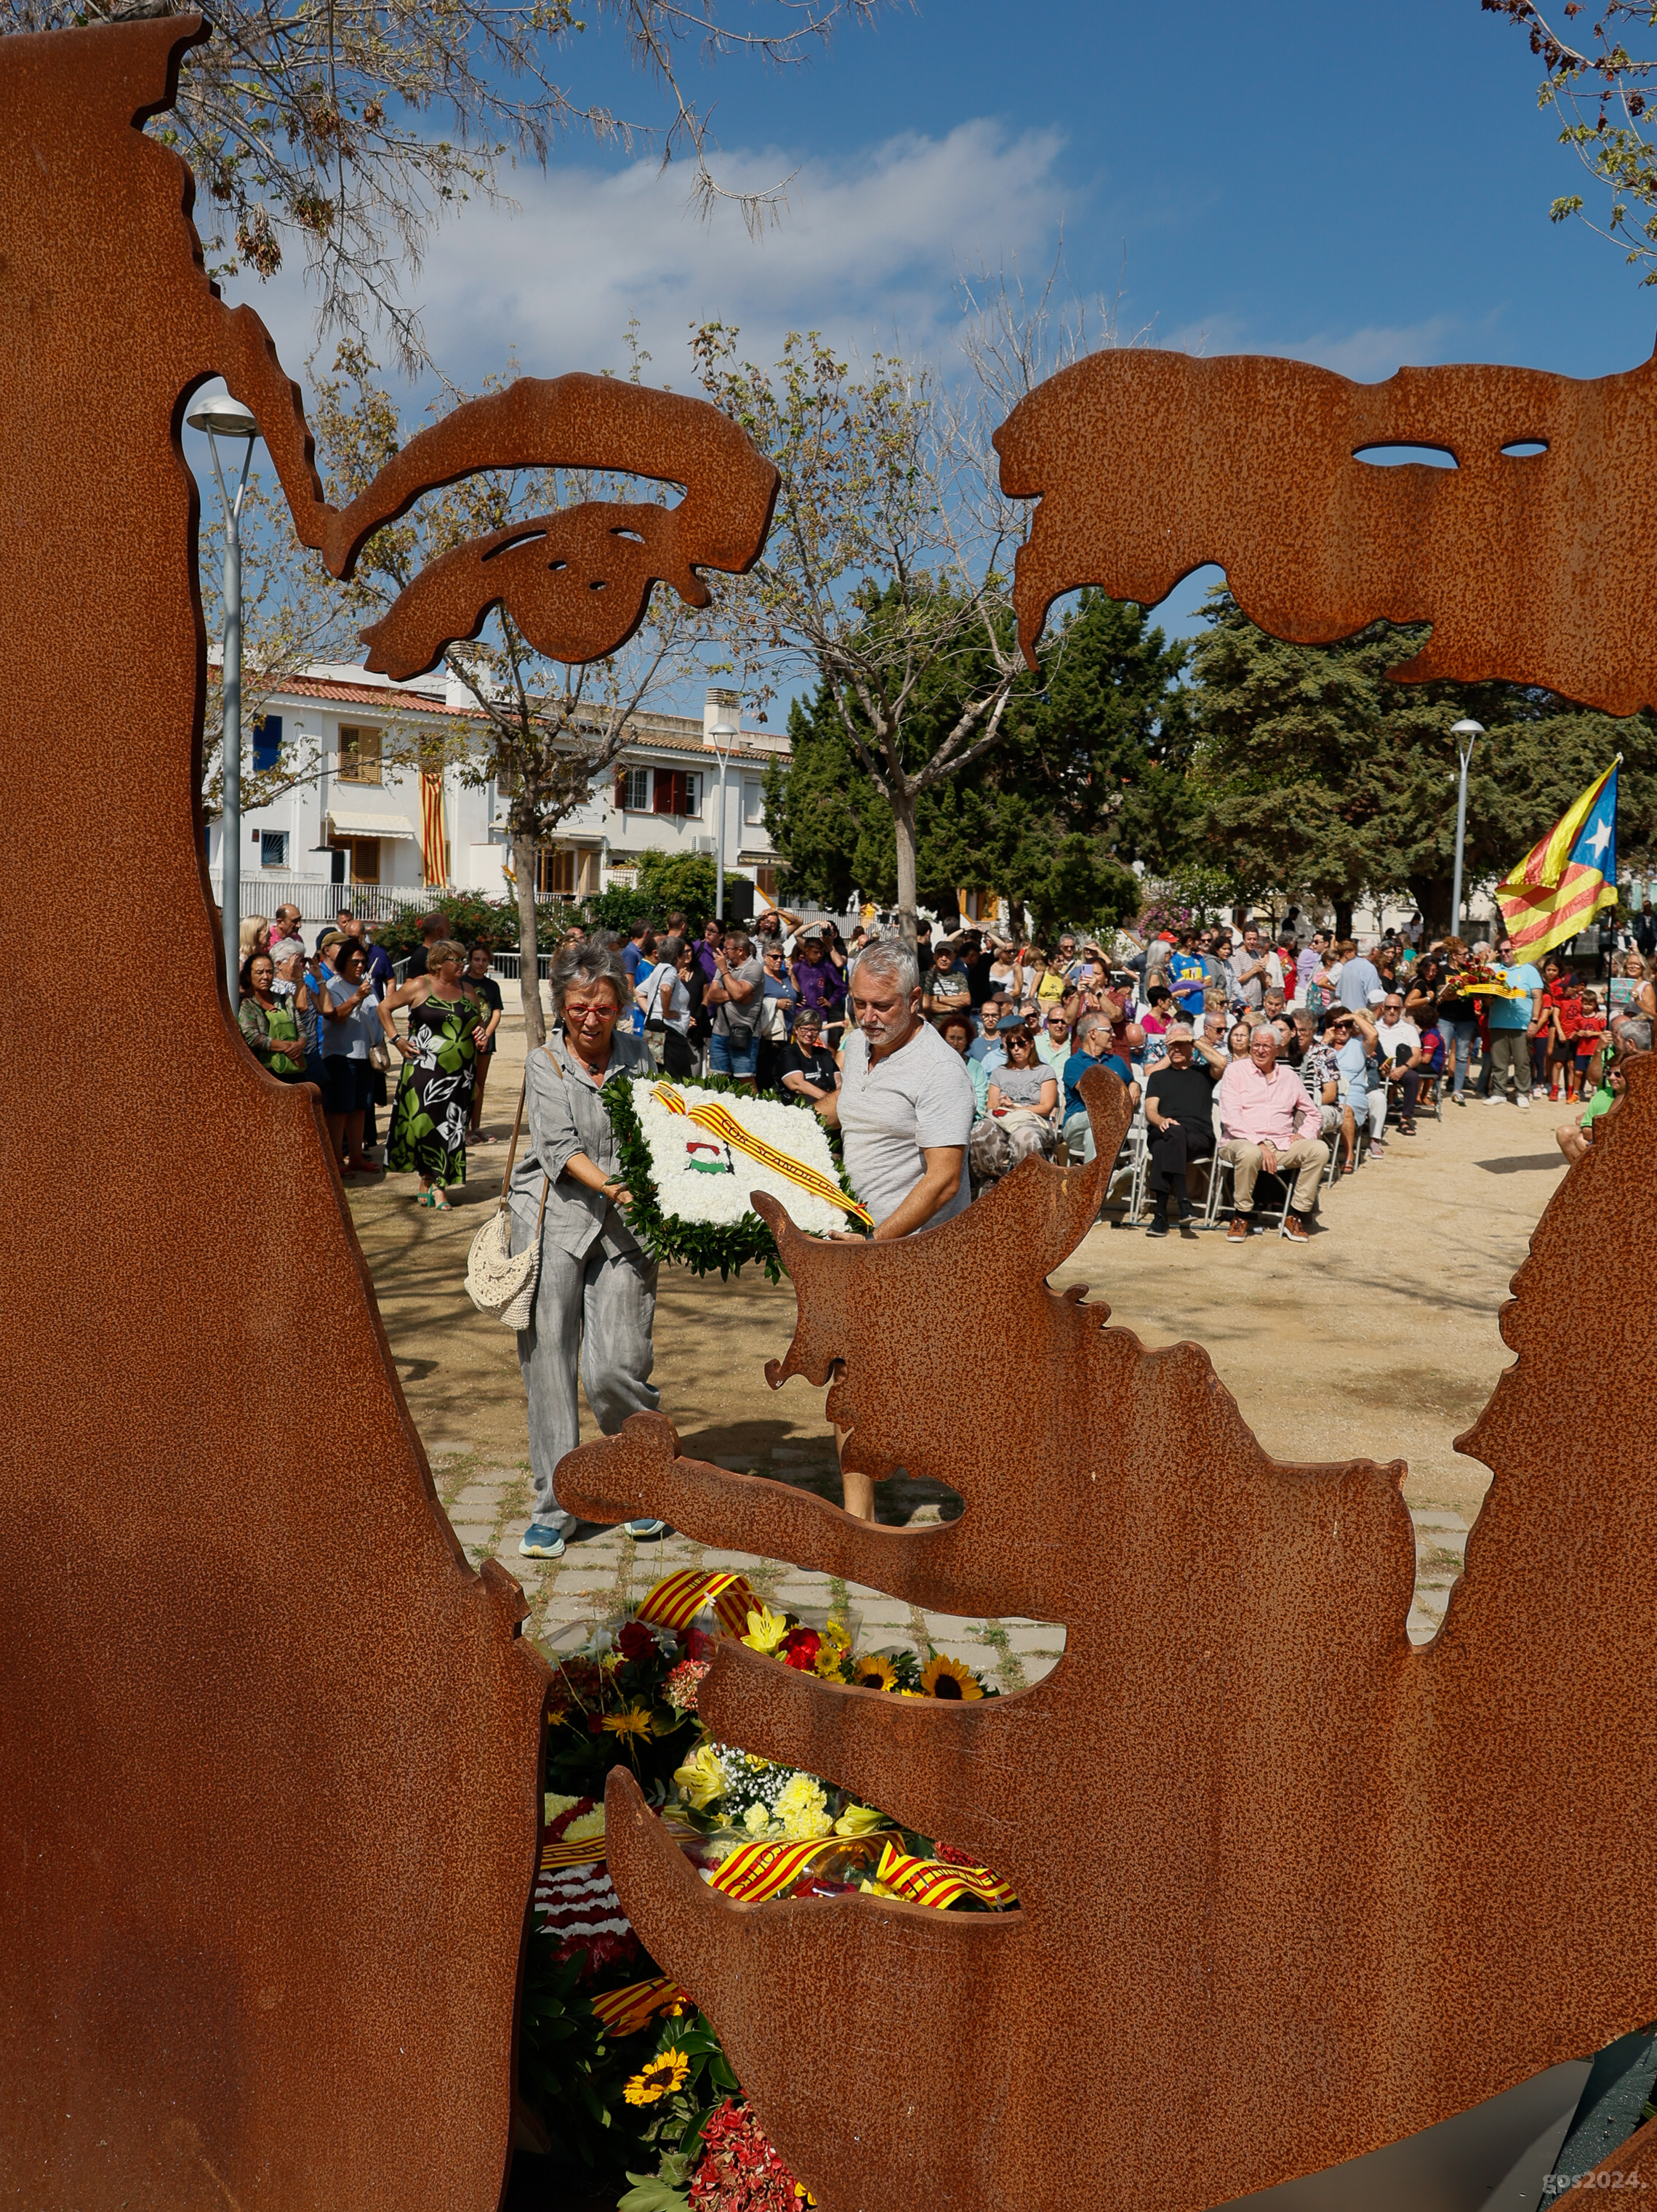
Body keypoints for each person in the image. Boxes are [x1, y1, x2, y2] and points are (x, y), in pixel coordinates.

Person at [809, 940, 974, 1519]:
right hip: (856, 1246)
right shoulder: (857, 1044)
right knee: (850, 1375)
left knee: (931, 1388)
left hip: (919, 1255)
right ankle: (859, 1519)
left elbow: (944, 1180)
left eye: (882, 1005)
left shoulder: (939, 1071)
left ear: (916, 999)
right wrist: (779, 1124)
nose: (867, 1017)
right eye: (858, 1003)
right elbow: (848, 1107)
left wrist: (877, 1243)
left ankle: (993, 1508)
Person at [511, 942, 662, 1561]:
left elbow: (660, 1123)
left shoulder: (639, 1054)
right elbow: (559, 1148)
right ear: (562, 1008)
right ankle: (555, 1503)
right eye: (579, 1007)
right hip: (553, 1217)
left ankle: (638, 1480)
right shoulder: (543, 1061)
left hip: (627, 1227)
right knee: (550, 1363)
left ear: (621, 1007)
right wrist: (614, 1185)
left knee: (617, 1365)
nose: (591, 1019)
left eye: (603, 1006)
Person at [380, 938, 488, 1207]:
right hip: (424, 1070)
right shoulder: (419, 985)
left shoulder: (468, 990)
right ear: (439, 962)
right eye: (457, 960)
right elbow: (384, 1007)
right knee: (424, 1127)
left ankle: (437, 1185)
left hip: (459, 1073)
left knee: (450, 1128)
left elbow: (477, 1021)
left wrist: (481, 1031)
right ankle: (427, 1177)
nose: (463, 964)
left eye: (464, 959)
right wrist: (396, 1040)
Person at [1215, 1024, 1328, 1242]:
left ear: (1278, 1049)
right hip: (1239, 1141)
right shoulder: (1235, 1072)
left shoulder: (1289, 1076)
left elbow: (1314, 1114)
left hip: (1281, 1143)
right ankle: (1241, 1215)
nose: (1260, 1050)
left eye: (1266, 1046)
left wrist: (1303, 1134)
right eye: (1256, 1045)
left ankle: (1295, 1214)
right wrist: (1259, 1143)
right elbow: (1230, 1117)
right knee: (1250, 1153)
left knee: (1319, 1149)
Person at [1142, 1024, 1218, 1235]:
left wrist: (1193, 1039)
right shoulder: (1158, 1077)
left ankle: (1160, 1216)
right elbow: (1150, 1110)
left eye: (1181, 1044)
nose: (1175, 1049)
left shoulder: (1203, 1073)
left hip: (1198, 1136)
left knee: (1163, 1146)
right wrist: (1161, 1121)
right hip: (1163, 1128)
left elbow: (1221, 1062)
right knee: (1172, 1133)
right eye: (1171, 1045)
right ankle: (1184, 1202)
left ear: (1191, 1047)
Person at [316, 936, 382, 1176]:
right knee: (340, 1109)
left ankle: (356, 1156)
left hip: (365, 1056)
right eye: (355, 961)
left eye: (363, 961)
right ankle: (336, 1159)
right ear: (344, 961)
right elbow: (335, 1016)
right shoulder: (334, 986)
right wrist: (356, 998)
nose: (361, 965)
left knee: (360, 1108)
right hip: (341, 1055)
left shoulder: (369, 986)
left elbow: (377, 1016)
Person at [1481, 938, 1544, 1108]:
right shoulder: (1493, 970)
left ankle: (1522, 1093)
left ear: (1515, 951)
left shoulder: (1529, 970)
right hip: (1498, 1022)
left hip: (1522, 1024)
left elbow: (1538, 997)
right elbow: (1487, 1000)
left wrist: (1535, 1021)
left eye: (1507, 951)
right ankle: (1499, 1092)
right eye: (1501, 951)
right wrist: (1486, 998)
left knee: (1522, 1061)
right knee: (1499, 1062)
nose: (1503, 954)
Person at [985, 1025, 1060, 1165]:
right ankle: (994, 1178)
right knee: (982, 1130)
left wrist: (1015, 1108)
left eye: (1020, 1044)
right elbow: (991, 1105)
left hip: (1034, 1121)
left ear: (1031, 1044)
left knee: (1024, 1136)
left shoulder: (1045, 1071)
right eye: (1011, 1045)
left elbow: (1045, 1108)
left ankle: (1027, 1179)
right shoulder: (999, 1072)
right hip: (1004, 1120)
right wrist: (1002, 1105)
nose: (1016, 1049)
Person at [705, 927, 763, 1088]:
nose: (724, 953)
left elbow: (738, 993)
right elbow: (712, 995)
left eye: (727, 949)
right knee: (717, 1081)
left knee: (745, 1081)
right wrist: (737, 993)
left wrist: (724, 972)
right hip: (720, 1033)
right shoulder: (726, 967)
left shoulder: (754, 968)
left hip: (745, 1033)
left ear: (740, 950)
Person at [237, 952, 309, 1082]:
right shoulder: (247, 1004)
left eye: (269, 972)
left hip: (293, 1069)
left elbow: (301, 1028)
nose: (265, 977)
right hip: (265, 1073)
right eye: (260, 972)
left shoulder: (285, 1000)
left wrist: (300, 1044)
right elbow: (251, 1036)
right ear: (248, 976)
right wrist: (286, 1047)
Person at [634, 932, 696, 1079]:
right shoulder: (670, 970)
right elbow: (665, 988)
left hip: (654, 1027)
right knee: (679, 1079)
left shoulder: (658, 969)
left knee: (659, 1075)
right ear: (678, 956)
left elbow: (639, 992)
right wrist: (666, 1012)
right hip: (669, 1031)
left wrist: (652, 1012)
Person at [1557, 1051, 1632, 1165]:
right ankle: (1583, 1174)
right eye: (1609, 1073)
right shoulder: (1601, 1095)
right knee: (1565, 1133)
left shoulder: (1641, 1098)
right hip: (1603, 1141)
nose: (1611, 1078)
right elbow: (1587, 1129)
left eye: (1618, 1074)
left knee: (1580, 1140)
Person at [465, 944, 505, 1138]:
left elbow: (496, 1012)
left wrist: (487, 1033)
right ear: (470, 960)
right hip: (465, 1041)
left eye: (484, 960)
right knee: (465, 1084)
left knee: (479, 1084)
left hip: (485, 1042)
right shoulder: (461, 982)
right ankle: (462, 1127)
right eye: (477, 959)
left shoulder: (492, 986)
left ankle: (476, 1127)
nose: (480, 964)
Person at [780, 1005, 840, 1102]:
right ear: (796, 1029)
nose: (809, 1034)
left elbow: (838, 1083)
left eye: (814, 1030)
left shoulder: (825, 1054)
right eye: (804, 1029)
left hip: (828, 1106)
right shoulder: (788, 1053)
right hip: (798, 1107)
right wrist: (829, 1101)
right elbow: (798, 1085)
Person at [922, 939, 973, 1017]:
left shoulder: (959, 976)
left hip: (955, 1025)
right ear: (934, 956)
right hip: (933, 1025)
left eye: (948, 954)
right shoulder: (925, 976)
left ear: (954, 957)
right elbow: (925, 1004)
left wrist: (937, 998)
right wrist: (952, 1008)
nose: (944, 959)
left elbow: (966, 1000)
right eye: (940, 954)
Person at [1334, 938, 1381, 1012]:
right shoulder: (1370, 968)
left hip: (1346, 1014)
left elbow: (1338, 993)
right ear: (1373, 950)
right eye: (1378, 948)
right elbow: (1374, 998)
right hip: (1362, 1016)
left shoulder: (1347, 966)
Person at [406, 912, 446, 979]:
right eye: (448, 930)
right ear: (440, 931)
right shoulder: (420, 957)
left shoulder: (436, 954)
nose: (450, 934)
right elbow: (411, 984)